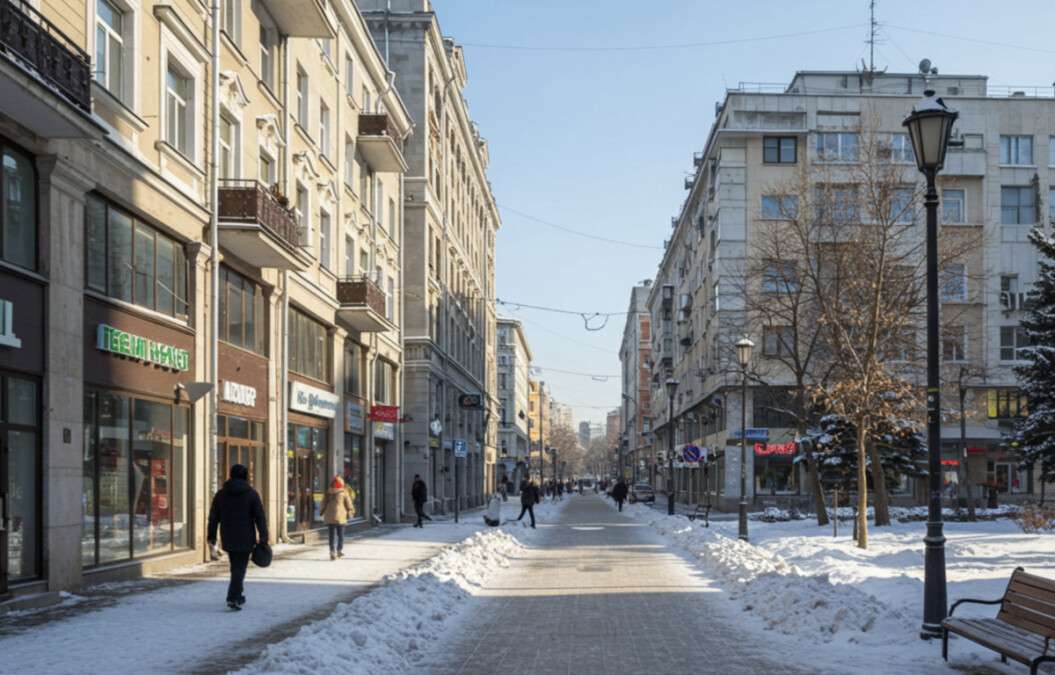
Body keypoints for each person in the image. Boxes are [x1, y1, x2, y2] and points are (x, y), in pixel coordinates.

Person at [208, 464, 268, 611]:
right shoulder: (251, 494)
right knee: (239, 568)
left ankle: (237, 595)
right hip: (246, 536)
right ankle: (233, 597)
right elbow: (260, 517)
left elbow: (214, 517)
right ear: (245, 476)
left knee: (236, 566)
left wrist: (212, 536)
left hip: (228, 536)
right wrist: (264, 536)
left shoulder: (221, 494)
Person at [320, 476, 354, 560]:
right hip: (341, 517)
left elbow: (323, 503)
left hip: (330, 517)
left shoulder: (328, 492)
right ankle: (339, 550)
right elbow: (349, 504)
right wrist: (351, 512)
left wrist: (321, 512)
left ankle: (332, 552)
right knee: (341, 535)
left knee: (331, 536)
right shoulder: (344, 492)